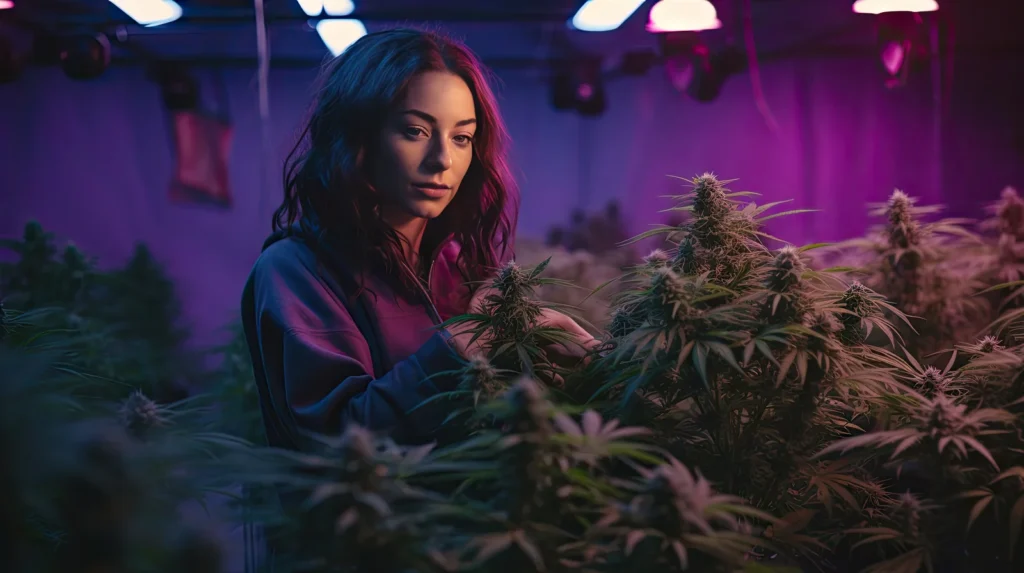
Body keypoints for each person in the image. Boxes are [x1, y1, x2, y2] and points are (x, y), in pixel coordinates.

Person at [240, 28, 595, 451]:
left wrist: (548, 362)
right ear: (358, 137)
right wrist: (461, 345)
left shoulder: (456, 262)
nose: (443, 159)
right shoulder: (293, 271)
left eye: (461, 137)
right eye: (415, 131)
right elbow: (339, 438)